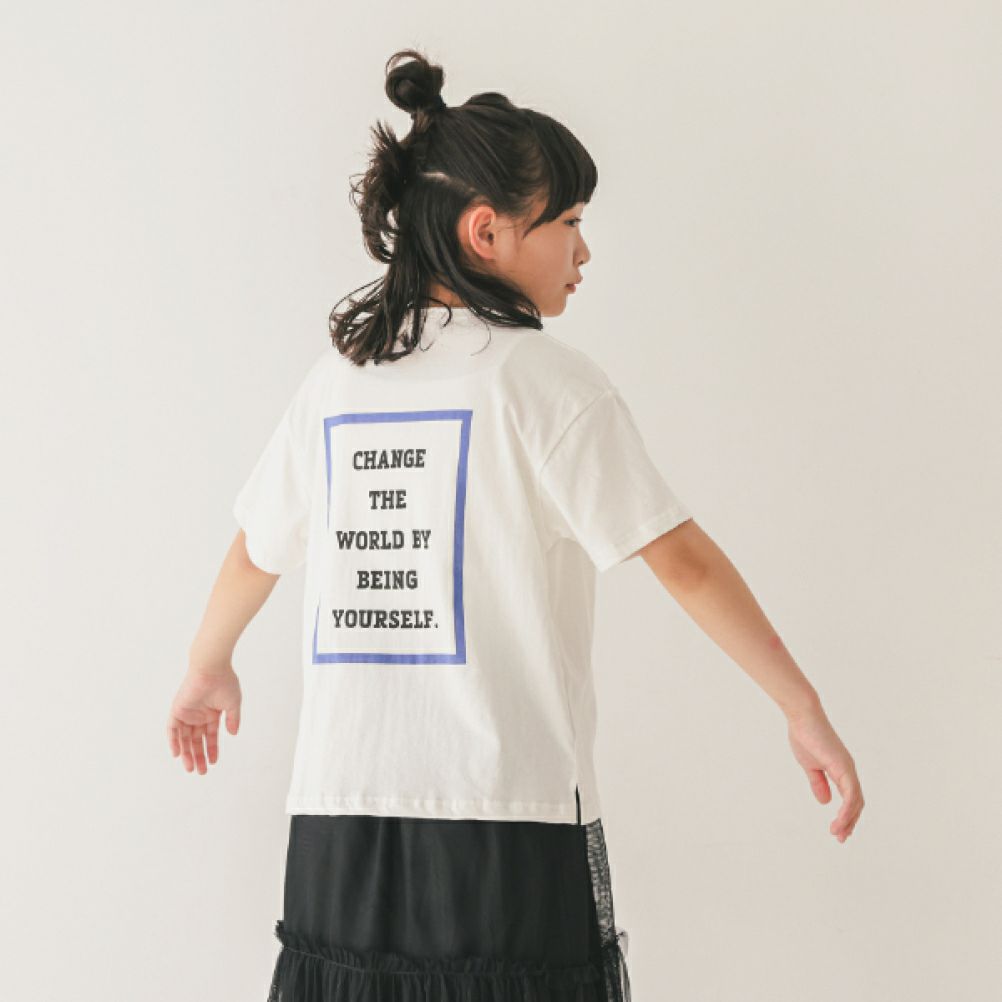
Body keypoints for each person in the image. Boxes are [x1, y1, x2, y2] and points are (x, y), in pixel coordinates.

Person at [167, 46, 864, 1002]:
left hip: (338, 814)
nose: (584, 251)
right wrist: (801, 706)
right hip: (506, 813)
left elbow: (258, 545)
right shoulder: (546, 383)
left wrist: (207, 663)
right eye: (568, 223)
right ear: (486, 231)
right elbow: (682, 561)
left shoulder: (337, 385)